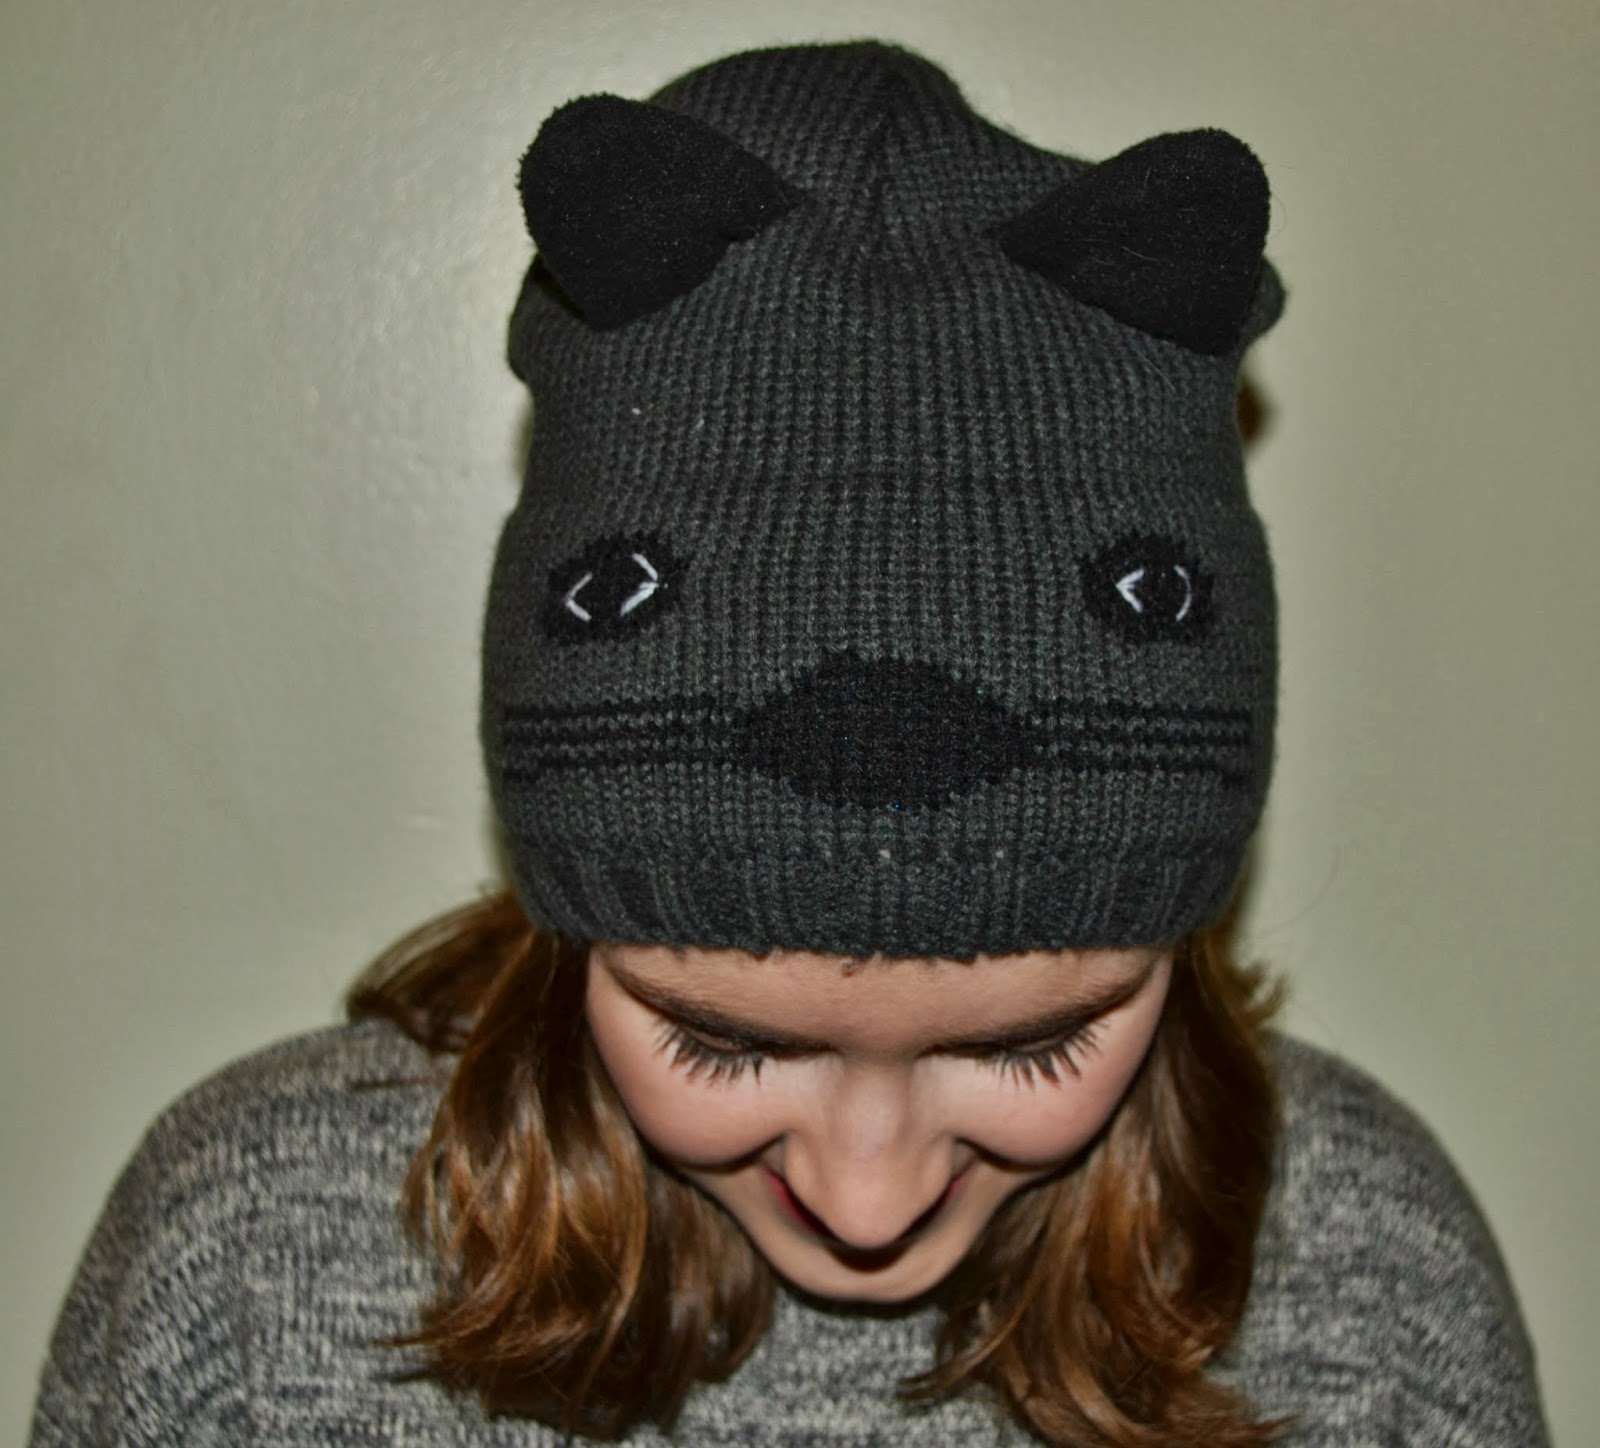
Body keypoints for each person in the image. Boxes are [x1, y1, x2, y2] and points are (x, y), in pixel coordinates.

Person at [28, 40, 1549, 1448]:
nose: (868, 1197)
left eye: (1031, 1046)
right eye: (720, 1041)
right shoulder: (247, 1258)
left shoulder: (1372, 1281)